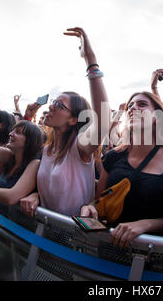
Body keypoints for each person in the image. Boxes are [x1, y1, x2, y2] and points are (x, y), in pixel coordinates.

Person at [20, 27, 110, 218]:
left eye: (60, 105)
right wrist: (37, 195)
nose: (52, 107)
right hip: (44, 233)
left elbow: (102, 122)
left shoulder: (80, 148)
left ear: (74, 119)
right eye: (54, 102)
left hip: (73, 240)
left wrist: (91, 61)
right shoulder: (46, 150)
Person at [80, 91, 163, 248]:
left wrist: (145, 225)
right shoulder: (114, 156)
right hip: (110, 249)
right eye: (130, 106)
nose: (133, 108)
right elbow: (99, 200)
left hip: (157, 254)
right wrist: (90, 207)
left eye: (142, 104)